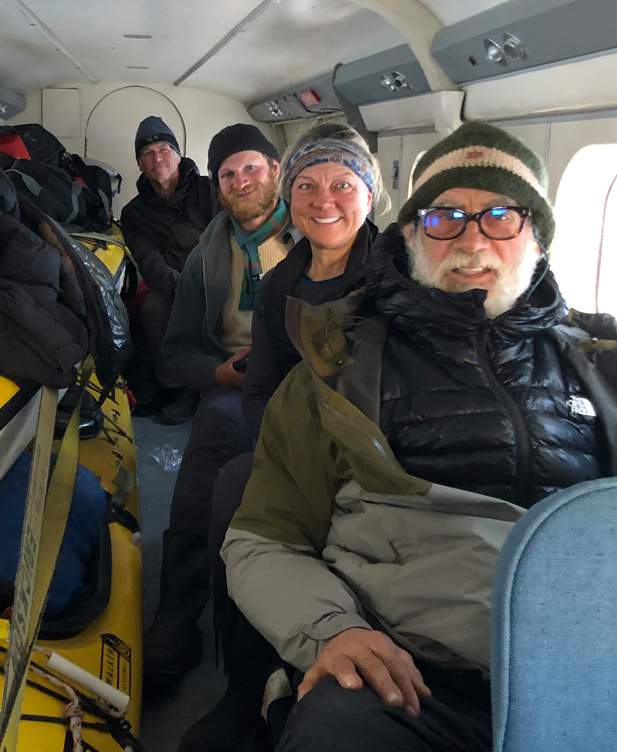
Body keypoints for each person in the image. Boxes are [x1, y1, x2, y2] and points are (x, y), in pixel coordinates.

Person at [221, 121, 617, 752]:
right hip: (410, 674)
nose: (473, 241)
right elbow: (262, 539)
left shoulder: (604, 370)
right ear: (413, 234)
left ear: (537, 237)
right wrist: (330, 631)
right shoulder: (338, 369)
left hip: (585, 665)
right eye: (446, 218)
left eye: (500, 215)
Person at [180, 122, 386, 752]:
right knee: (235, 487)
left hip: (378, 447)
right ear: (291, 194)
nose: (325, 199)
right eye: (309, 185)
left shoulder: (398, 279)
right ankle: (243, 686)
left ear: (370, 194)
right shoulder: (278, 287)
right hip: (296, 442)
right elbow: (262, 387)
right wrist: (290, 451)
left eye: (343, 183)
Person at [145, 123, 296, 692]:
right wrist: (216, 373)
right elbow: (176, 351)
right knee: (214, 428)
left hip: (311, 385)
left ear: (275, 170)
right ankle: (178, 614)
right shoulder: (206, 257)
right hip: (237, 385)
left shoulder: (317, 232)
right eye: (228, 174)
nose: (240, 182)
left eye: (251, 168)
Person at [120, 116, 218, 423]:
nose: (157, 158)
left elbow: (227, 240)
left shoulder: (209, 190)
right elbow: (149, 262)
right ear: (140, 165)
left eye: (164, 149)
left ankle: (218, 378)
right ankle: (177, 385)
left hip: (217, 275)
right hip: (172, 283)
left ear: (177, 155)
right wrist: (183, 290)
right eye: (147, 154)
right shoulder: (133, 212)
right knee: (153, 310)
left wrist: (211, 286)